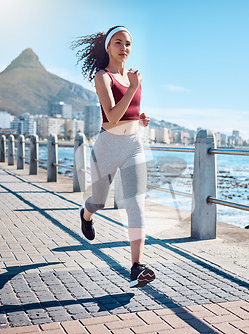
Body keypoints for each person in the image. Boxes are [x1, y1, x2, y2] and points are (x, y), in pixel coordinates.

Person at [72, 26, 154, 288]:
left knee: (136, 204)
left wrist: (141, 120)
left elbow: (127, 113)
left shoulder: (132, 77)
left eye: (128, 43)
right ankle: (85, 214)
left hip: (134, 145)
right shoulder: (103, 77)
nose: (124, 48)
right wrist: (132, 88)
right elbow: (112, 117)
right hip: (107, 146)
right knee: (99, 201)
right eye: (118, 43)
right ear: (108, 47)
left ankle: (136, 267)